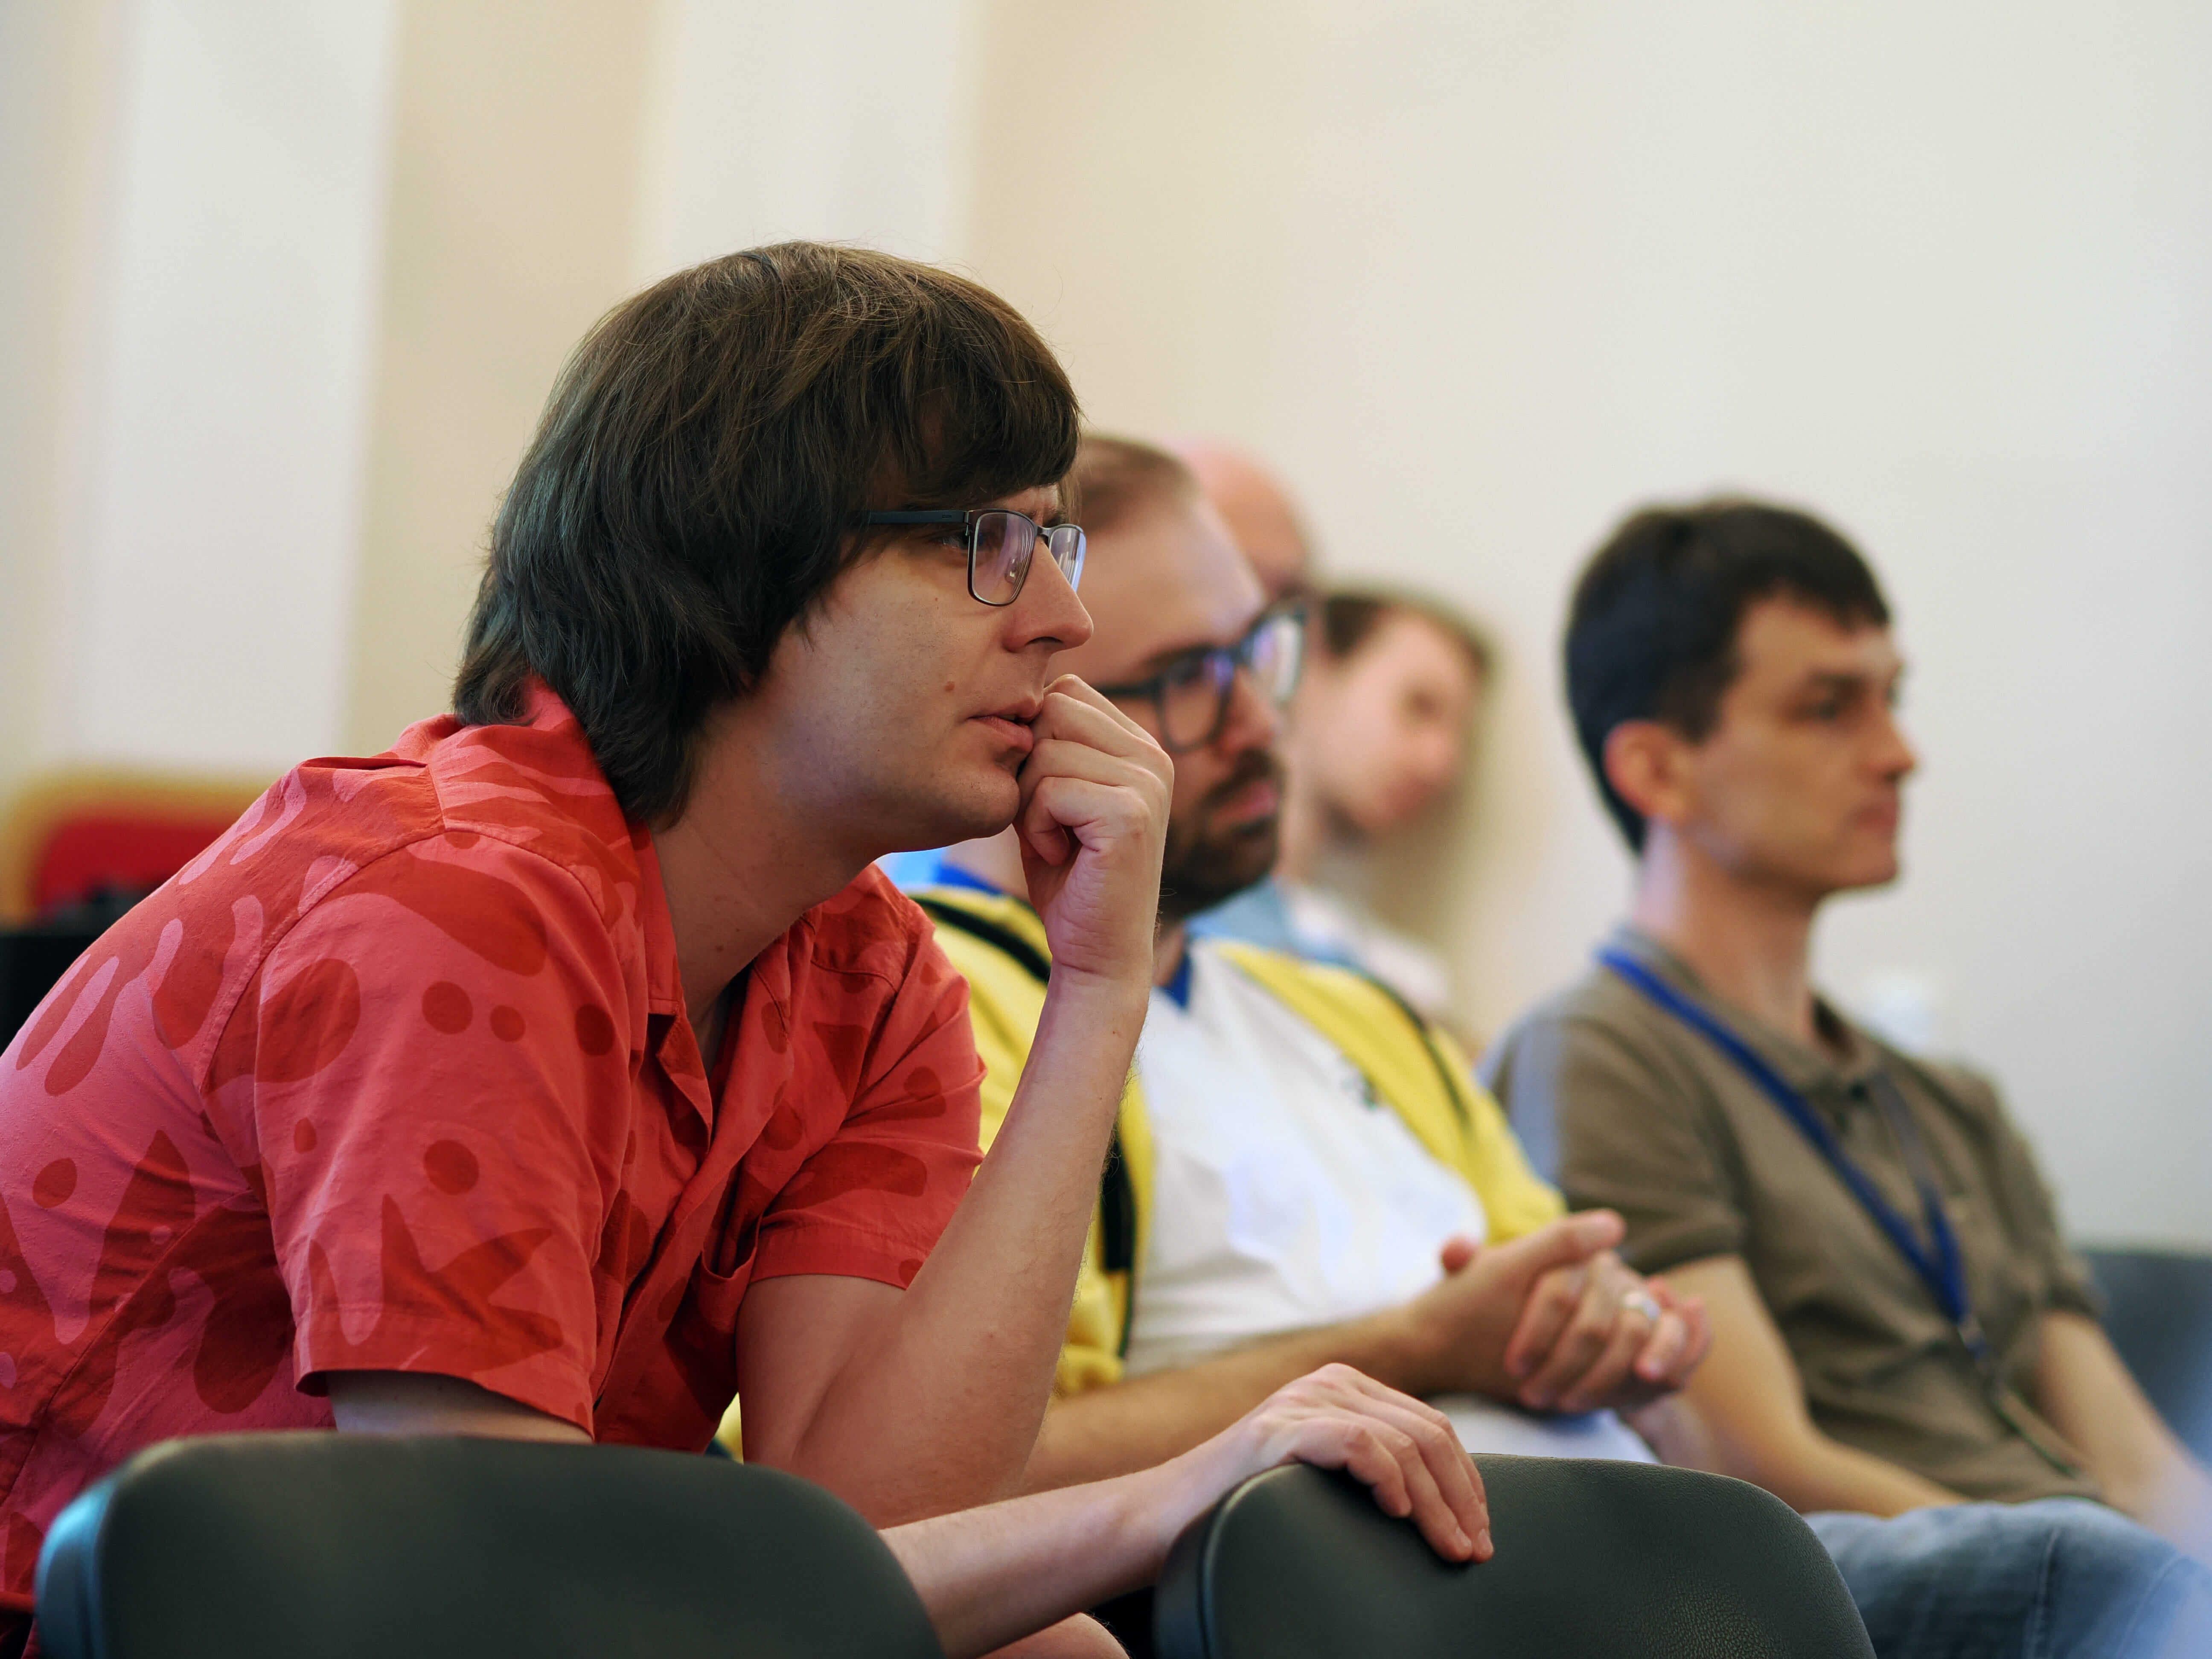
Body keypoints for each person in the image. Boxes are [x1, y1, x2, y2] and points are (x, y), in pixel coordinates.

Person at [0, 246, 1488, 1659]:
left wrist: (1099, 990)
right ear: (737, 580)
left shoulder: (870, 974)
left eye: (1052, 541)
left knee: (1041, 1641)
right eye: (988, 545)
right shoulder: (458, 900)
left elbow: (873, 1529)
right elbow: (486, 1590)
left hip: (422, 1604)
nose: (1064, 621)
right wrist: (1160, 1494)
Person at [909, 437, 1709, 1647]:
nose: (1254, 722)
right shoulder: (935, 1001)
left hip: (1635, 1573)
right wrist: (1420, 1350)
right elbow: (948, 1497)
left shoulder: (1361, 1010)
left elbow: (1556, 1296)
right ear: (1033, 713)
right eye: (1184, 677)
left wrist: (1606, 1334)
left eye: (1260, 652)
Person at [1484, 497, 2212, 1652]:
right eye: (1829, 708)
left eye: (1892, 696)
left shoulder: (1947, 1101)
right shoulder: (1601, 1053)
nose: (1899, 752)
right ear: (1657, 770)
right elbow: (1759, 1467)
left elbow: (2131, 1455)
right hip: (1927, 1600)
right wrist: (2136, 1586)